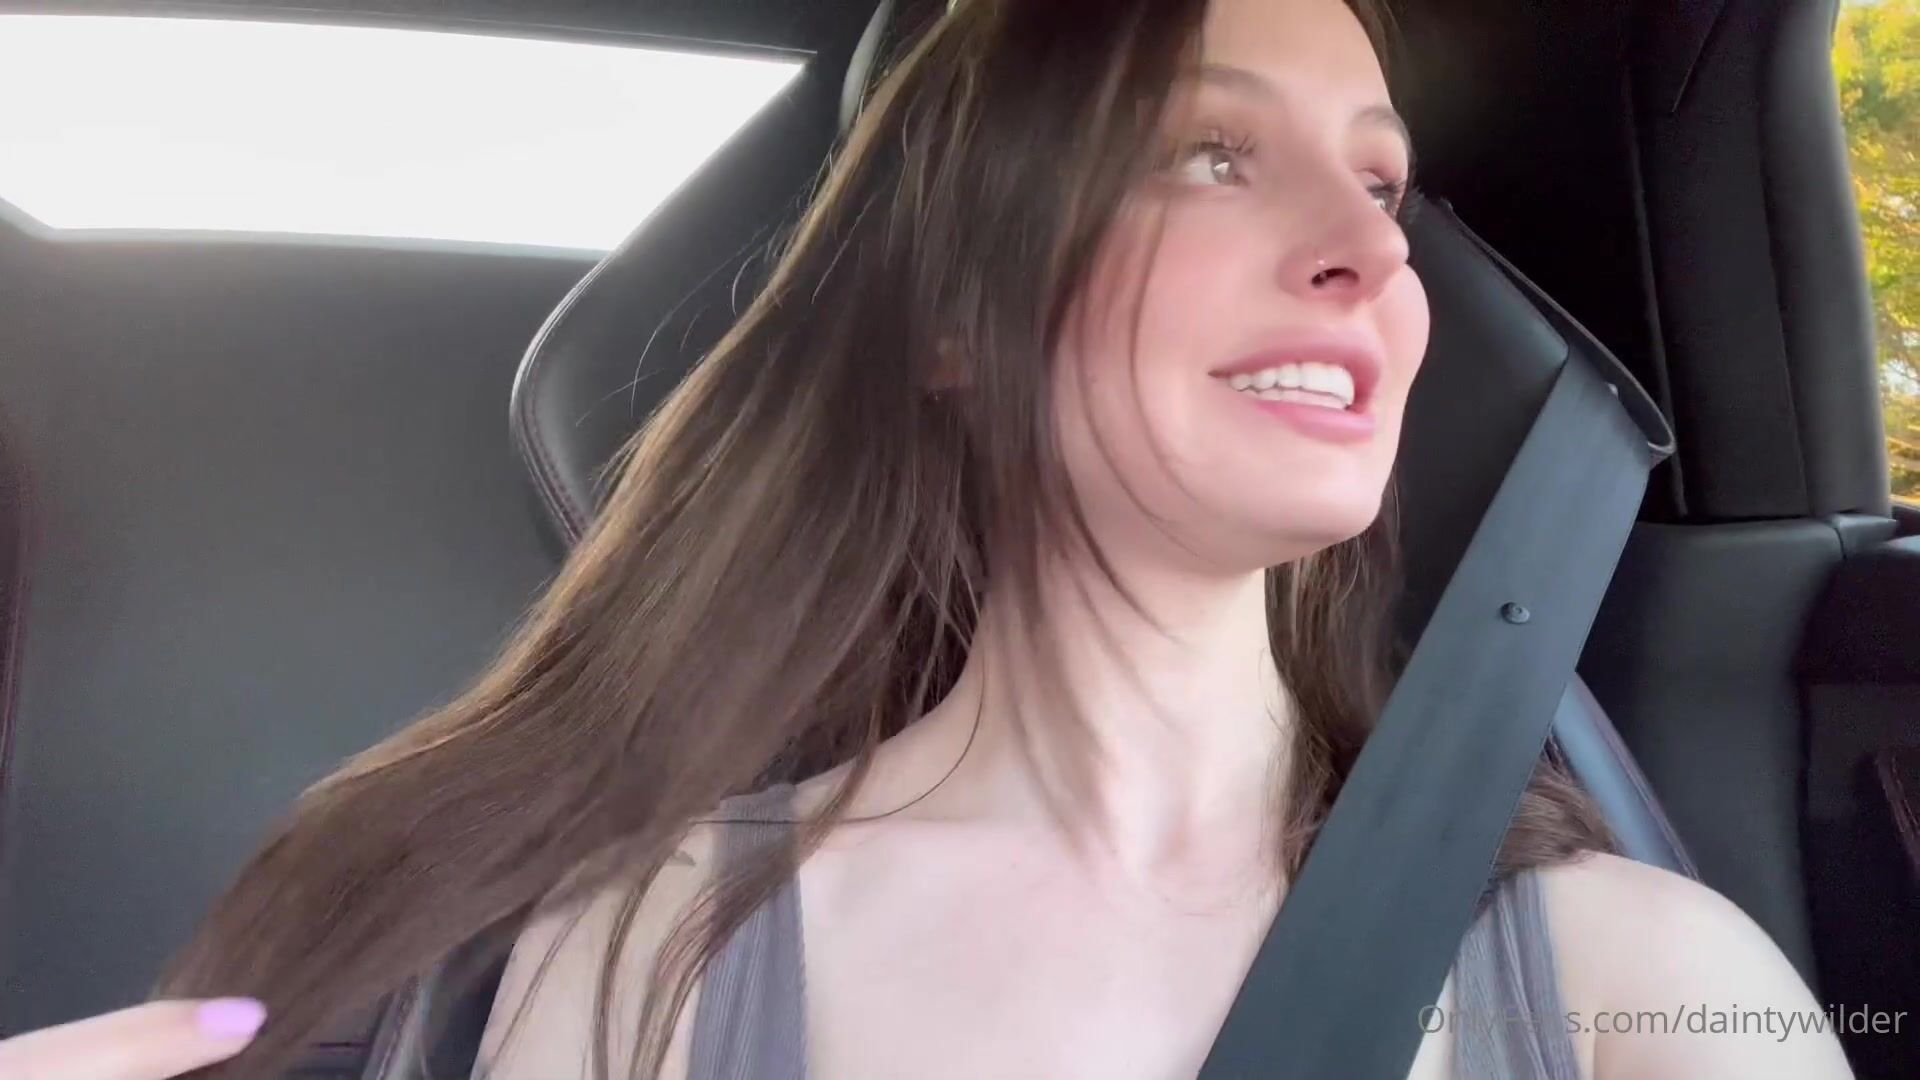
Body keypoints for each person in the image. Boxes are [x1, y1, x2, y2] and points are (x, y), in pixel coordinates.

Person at [0, 0, 1856, 1077]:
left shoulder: (1650, 974)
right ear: (958, 316)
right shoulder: (648, 956)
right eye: (1212, 153)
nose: (1372, 248)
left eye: (1385, 181)